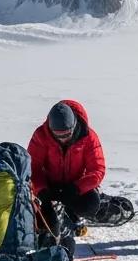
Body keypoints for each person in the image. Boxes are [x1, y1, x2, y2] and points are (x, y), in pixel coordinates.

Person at [28, 100, 106, 246]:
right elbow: (33, 167)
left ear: (74, 125)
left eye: (66, 135)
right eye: (58, 135)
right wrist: (41, 190)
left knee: (91, 205)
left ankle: (72, 213)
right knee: (44, 224)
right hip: (49, 186)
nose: (62, 139)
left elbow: (97, 169)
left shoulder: (88, 136)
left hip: (75, 185)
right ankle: (58, 214)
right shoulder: (41, 135)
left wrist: (77, 188)